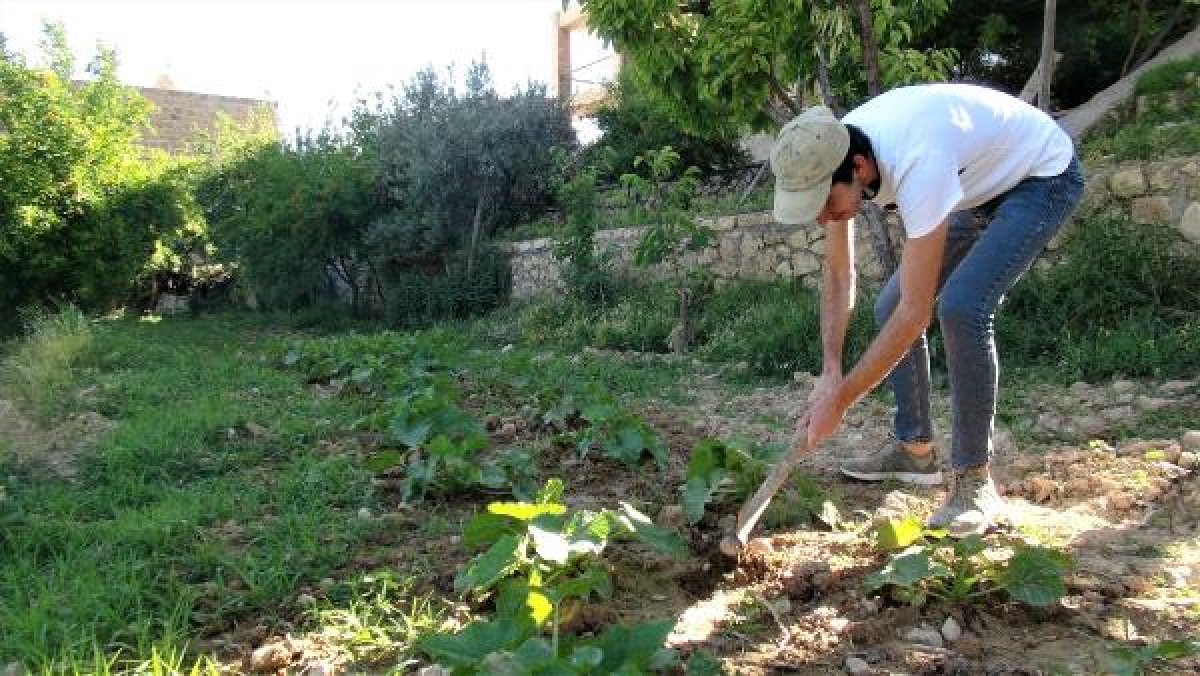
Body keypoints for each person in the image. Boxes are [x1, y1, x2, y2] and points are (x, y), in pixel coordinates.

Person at [770, 82, 1084, 536]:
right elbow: (840, 275)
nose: (823, 218)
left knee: (962, 307)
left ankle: (975, 483)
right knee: (889, 303)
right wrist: (831, 369)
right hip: (975, 184)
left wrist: (840, 402)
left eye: (825, 204)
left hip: (1040, 178)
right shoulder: (833, 149)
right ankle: (915, 449)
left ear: (858, 169)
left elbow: (918, 315)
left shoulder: (917, 159)